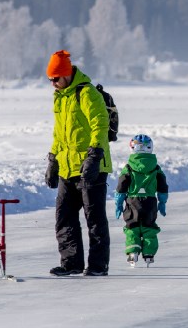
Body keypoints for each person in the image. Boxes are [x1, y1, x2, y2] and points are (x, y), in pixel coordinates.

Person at [44, 50, 113, 277]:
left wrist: (94, 156)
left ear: (65, 75)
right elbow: (58, 134)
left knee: (94, 219)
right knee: (64, 217)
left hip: (91, 167)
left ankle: (97, 265)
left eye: (55, 78)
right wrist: (53, 160)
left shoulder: (87, 93)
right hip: (67, 166)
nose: (53, 83)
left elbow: (100, 125)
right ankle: (71, 262)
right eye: (50, 80)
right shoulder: (60, 97)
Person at [114, 134, 169, 266]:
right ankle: (149, 253)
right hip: (150, 203)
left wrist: (118, 203)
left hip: (132, 202)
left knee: (132, 228)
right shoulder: (156, 168)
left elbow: (122, 186)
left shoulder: (128, 167)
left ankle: (133, 252)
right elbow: (162, 186)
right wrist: (162, 202)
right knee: (149, 228)